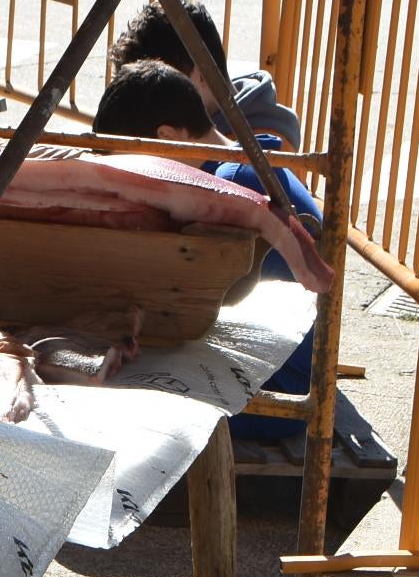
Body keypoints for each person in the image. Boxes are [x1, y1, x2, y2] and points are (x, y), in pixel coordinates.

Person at [93, 60, 329, 459]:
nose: (131, 187)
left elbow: (173, 303)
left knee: (109, 395)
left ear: (167, 138)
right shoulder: (244, 164)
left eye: (132, 170)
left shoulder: (229, 188)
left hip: (282, 392)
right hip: (289, 370)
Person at [106, 0, 302, 151]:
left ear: (203, 76)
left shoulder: (264, 147)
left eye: (162, 91)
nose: (149, 110)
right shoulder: (202, 127)